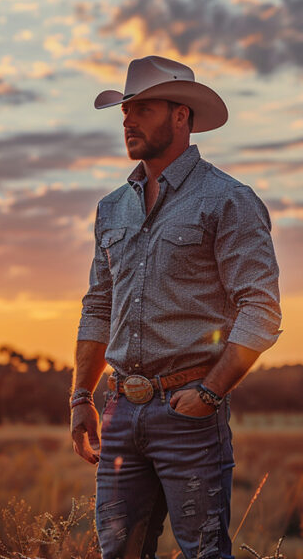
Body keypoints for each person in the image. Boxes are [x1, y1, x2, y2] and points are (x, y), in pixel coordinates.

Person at [70, 56, 281, 559]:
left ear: (181, 115)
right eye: (125, 109)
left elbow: (261, 307)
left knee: (203, 554)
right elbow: (98, 305)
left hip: (190, 413)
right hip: (120, 411)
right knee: (118, 553)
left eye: (142, 108)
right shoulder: (111, 208)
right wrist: (81, 396)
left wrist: (209, 393)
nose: (127, 119)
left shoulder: (227, 200)